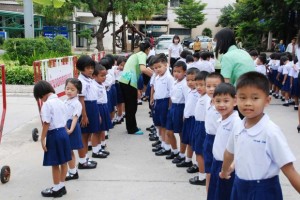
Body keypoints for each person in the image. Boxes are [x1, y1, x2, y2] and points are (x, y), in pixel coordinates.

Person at [220, 71, 300, 200]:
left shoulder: (271, 132)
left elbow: (289, 169)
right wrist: (224, 171)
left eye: (255, 98)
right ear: (236, 99)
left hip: (264, 190)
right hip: (239, 186)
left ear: (267, 100)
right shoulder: (238, 125)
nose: (248, 103)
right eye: (243, 97)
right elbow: (229, 152)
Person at [33, 81, 71, 198]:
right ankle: (61, 186)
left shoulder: (47, 104)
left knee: (55, 164)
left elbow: (46, 123)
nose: (41, 99)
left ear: (41, 94)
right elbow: (65, 119)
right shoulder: (61, 101)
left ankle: (56, 189)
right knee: (64, 162)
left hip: (54, 134)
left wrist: (42, 138)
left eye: (39, 97)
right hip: (63, 133)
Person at [207, 83, 240, 200]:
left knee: (224, 195)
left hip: (227, 166)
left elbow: (240, 148)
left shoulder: (236, 122)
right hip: (216, 163)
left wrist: (231, 166)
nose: (221, 105)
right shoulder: (221, 118)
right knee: (215, 194)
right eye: (218, 101)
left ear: (235, 101)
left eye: (226, 101)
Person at [119, 40, 153, 135]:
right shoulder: (142, 54)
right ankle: (132, 129)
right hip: (129, 82)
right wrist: (155, 76)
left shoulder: (135, 54)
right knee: (132, 106)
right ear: (147, 49)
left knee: (130, 106)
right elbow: (143, 69)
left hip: (124, 80)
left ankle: (130, 127)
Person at [76, 55, 98, 169]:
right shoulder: (81, 81)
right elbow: (81, 99)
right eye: (87, 68)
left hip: (92, 106)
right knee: (84, 136)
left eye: (92, 67)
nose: (90, 70)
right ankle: (82, 161)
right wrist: (84, 115)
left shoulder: (89, 79)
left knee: (88, 134)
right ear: (81, 68)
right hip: (86, 108)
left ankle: (85, 157)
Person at [203, 73, 224, 191]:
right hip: (209, 138)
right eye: (208, 86)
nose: (211, 89)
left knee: (218, 172)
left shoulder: (224, 106)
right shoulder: (208, 101)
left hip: (220, 141)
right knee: (209, 170)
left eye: (215, 86)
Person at [150, 54, 174, 156]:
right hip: (158, 102)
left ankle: (167, 147)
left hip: (165, 103)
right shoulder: (157, 77)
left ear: (165, 65)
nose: (157, 70)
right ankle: (162, 143)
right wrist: (152, 98)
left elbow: (171, 94)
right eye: (155, 68)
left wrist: (169, 106)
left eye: (159, 67)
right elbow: (154, 89)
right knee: (159, 124)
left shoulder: (169, 78)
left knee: (165, 126)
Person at [176, 68, 200, 168]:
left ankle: (198, 164)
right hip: (188, 119)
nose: (190, 82)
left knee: (196, 143)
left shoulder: (200, 93)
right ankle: (188, 160)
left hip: (196, 120)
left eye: (193, 80)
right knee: (189, 141)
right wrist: (184, 116)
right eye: (188, 80)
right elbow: (188, 105)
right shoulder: (190, 91)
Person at [189, 71, 209, 186]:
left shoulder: (207, 99)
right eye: (197, 85)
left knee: (200, 152)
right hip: (198, 124)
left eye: (202, 85)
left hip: (203, 126)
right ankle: (203, 173)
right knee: (199, 151)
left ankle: (202, 177)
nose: (199, 87)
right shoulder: (202, 96)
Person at [165, 61, 188, 162]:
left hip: (180, 108)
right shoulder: (174, 82)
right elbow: (171, 96)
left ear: (184, 72)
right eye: (174, 71)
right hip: (173, 107)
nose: (176, 73)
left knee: (181, 132)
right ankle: (174, 150)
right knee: (169, 131)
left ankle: (182, 154)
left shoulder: (185, 84)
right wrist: (170, 108)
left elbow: (187, 100)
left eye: (179, 71)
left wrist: (184, 114)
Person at [64, 78, 83, 181]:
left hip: (72, 126)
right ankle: (72, 171)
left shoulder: (77, 103)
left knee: (69, 150)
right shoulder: (65, 101)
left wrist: (71, 129)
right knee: (68, 150)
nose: (69, 91)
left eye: (72, 89)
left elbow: (75, 117)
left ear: (78, 91)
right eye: (67, 89)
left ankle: (73, 172)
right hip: (66, 126)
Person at [93, 64, 113, 158]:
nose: (104, 78)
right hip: (98, 108)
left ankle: (100, 147)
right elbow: (95, 101)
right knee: (96, 131)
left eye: (105, 75)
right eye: (101, 76)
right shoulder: (94, 86)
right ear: (94, 76)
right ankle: (95, 151)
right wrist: (97, 114)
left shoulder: (101, 84)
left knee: (102, 130)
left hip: (104, 107)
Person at [113, 56, 126, 125]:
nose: (122, 67)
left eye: (124, 65)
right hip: (115, 85)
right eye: (120, 65)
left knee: (119, 103)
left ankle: (120, 116)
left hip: (121, 86)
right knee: (116, 102)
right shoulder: (114, 69)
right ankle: (118, 115)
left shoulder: (126, 72)